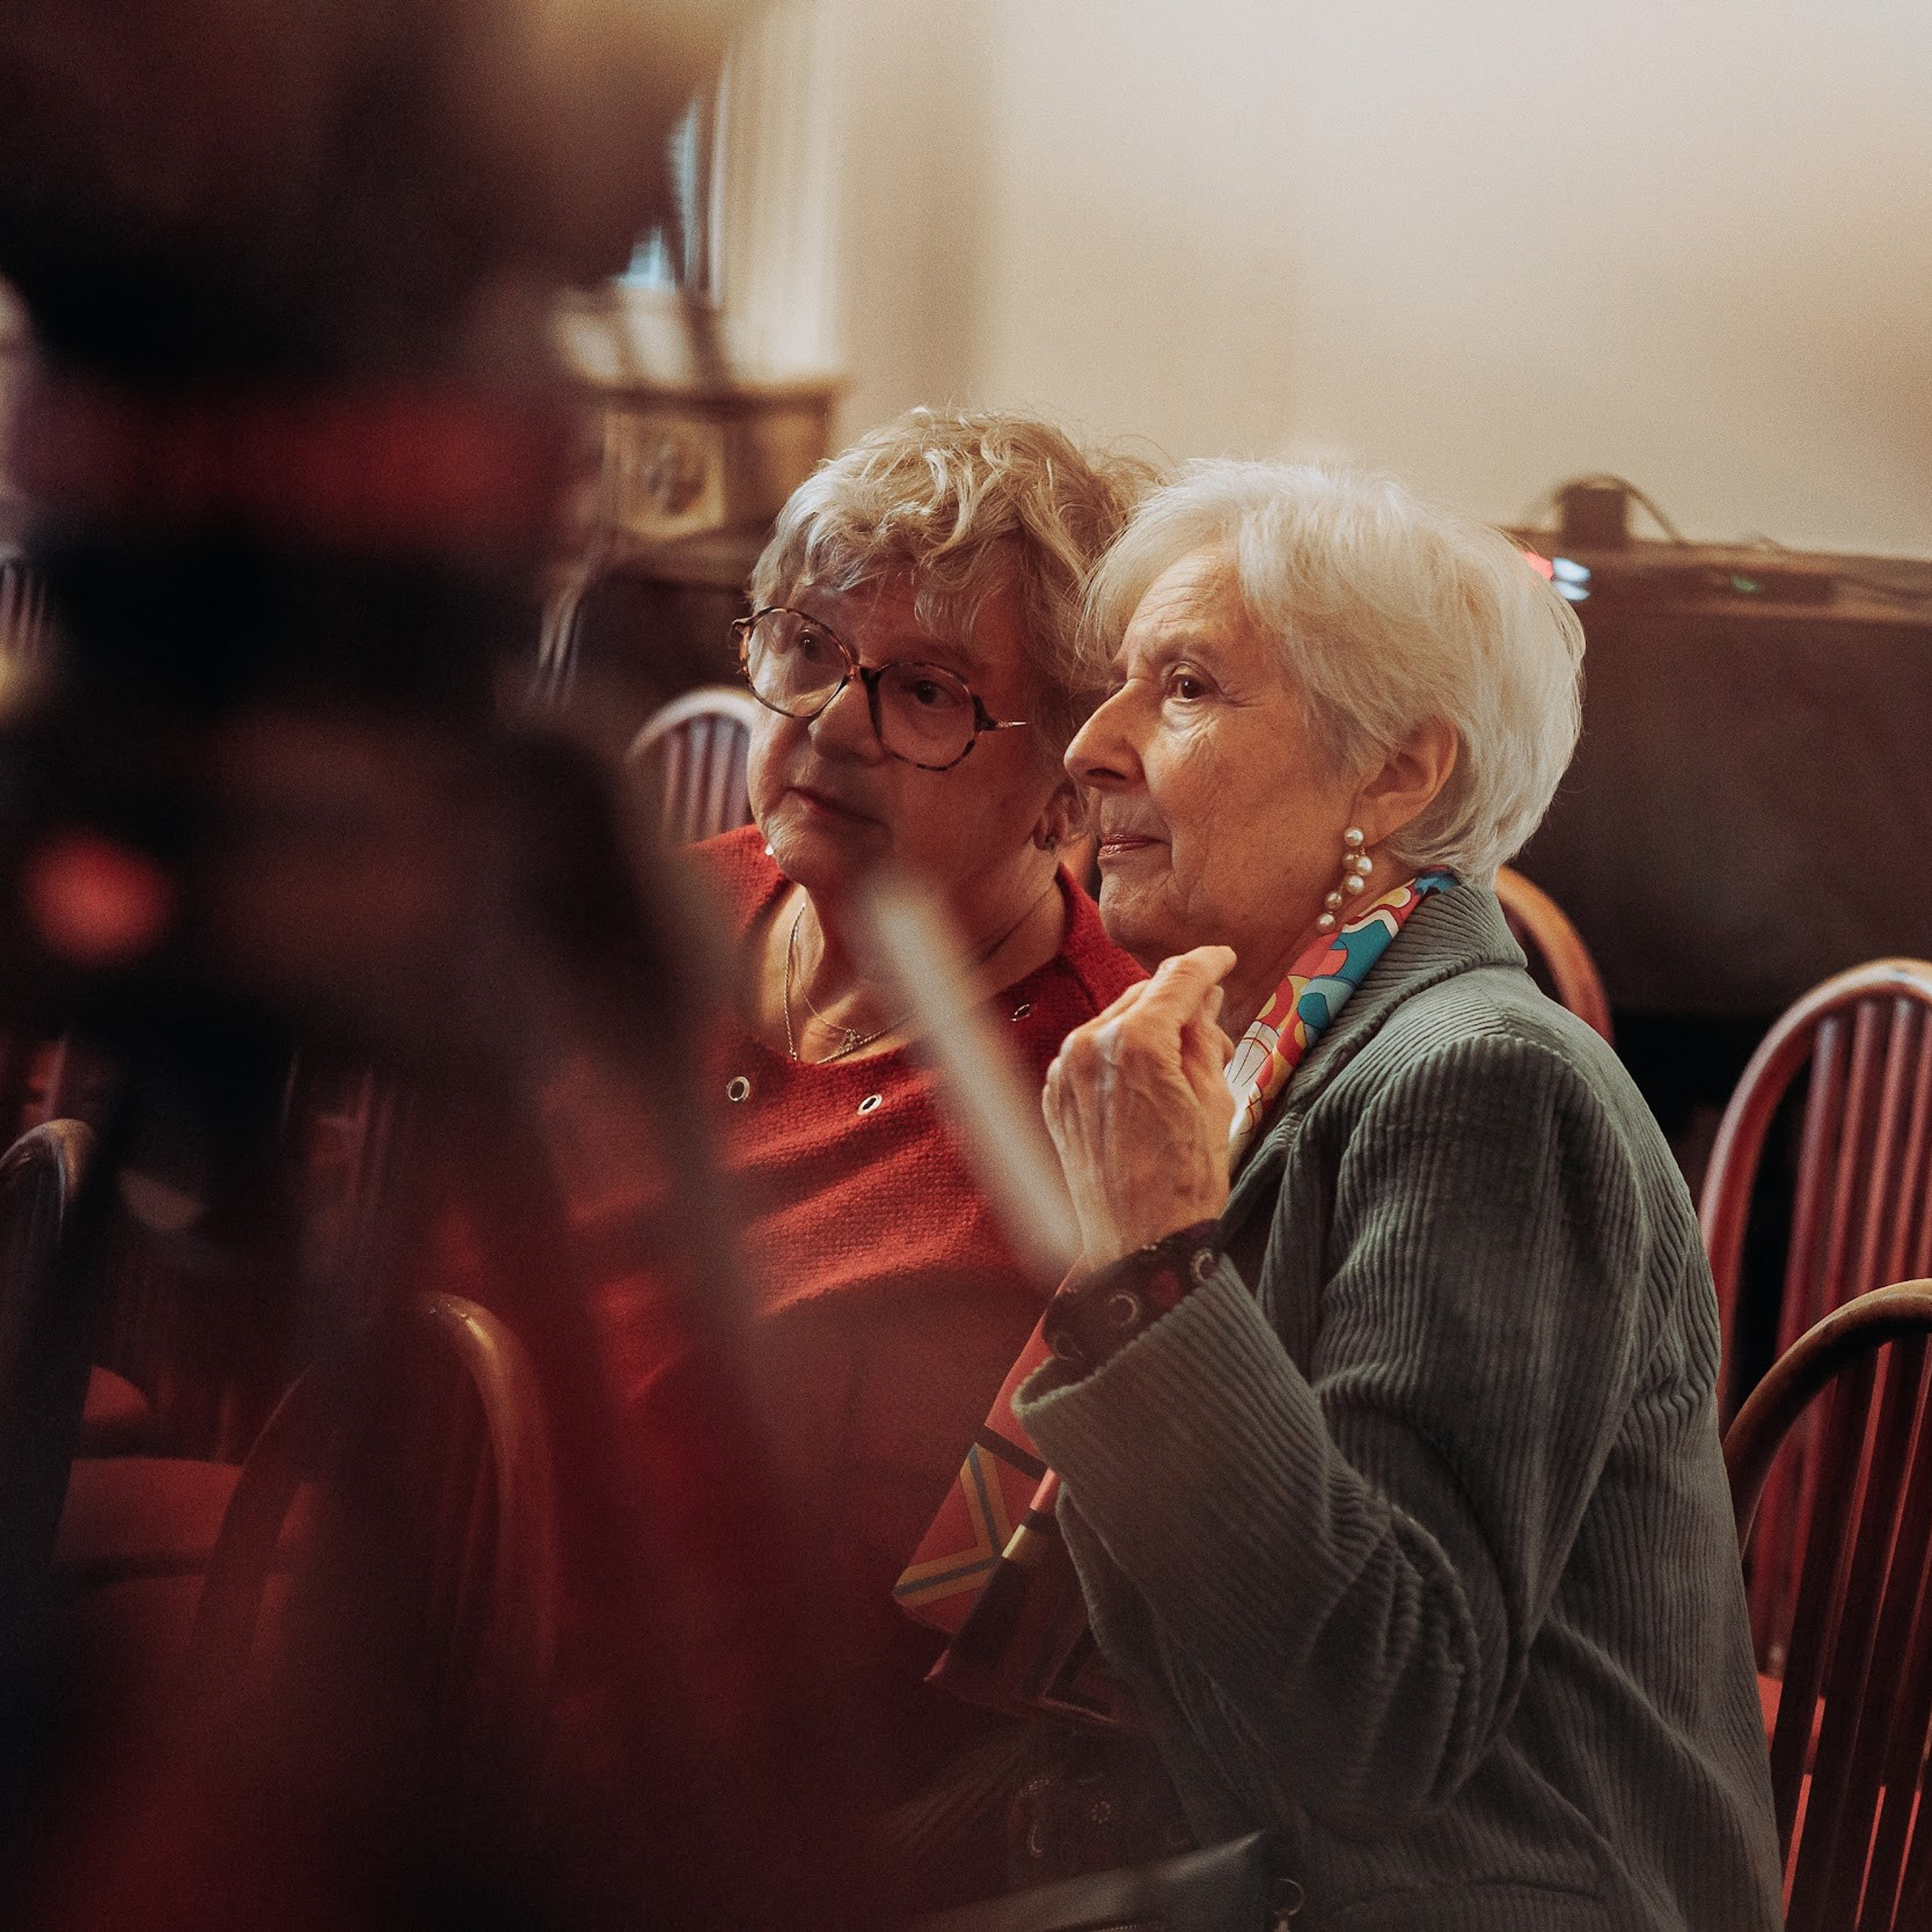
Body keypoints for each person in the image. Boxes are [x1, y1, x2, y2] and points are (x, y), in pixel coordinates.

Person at [1018, 460, 1783, 1930]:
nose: (1093, 745)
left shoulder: (1482, 1085)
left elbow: (1377, 1715)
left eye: (1181, 688)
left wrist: (1161, 1265)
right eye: (1115, 686)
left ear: (1395, 772)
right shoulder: (1274, 1066)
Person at [668, 410, 1149, 1857]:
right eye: (807, 647)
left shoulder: (1101, 1098)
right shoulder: (659, 924)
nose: (828, 721)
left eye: (926, 692)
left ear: (1068, 784)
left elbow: (961, 1645)